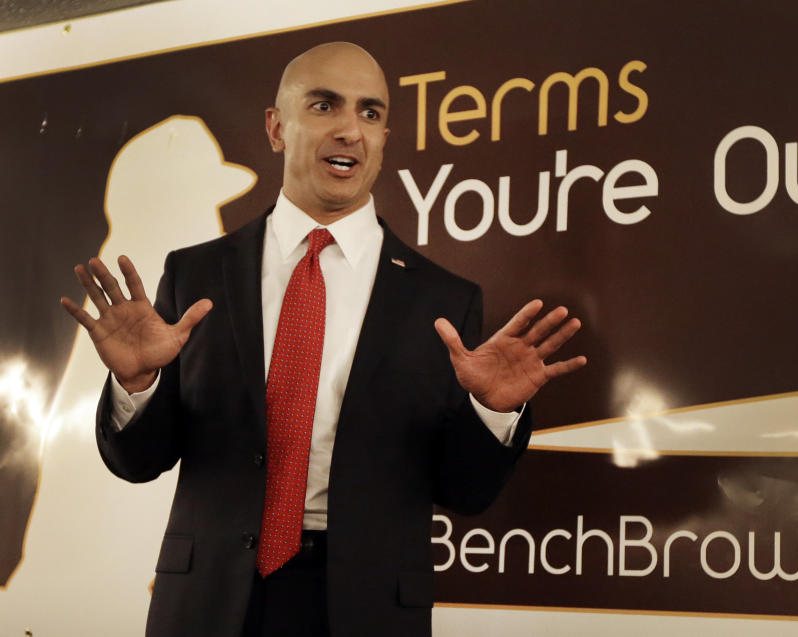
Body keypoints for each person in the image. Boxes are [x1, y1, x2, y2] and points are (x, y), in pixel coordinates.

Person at [60, 42, 586, 637]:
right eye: (324, 105)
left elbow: (464, 492)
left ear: (385, 137)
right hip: (209, 603)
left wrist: (493, 412)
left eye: (369, 113)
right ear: (276, 127)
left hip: (365, 609)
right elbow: (140, 462)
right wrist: (137, 384)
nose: (350, 131)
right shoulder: (196, 274)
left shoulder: (443, 301)